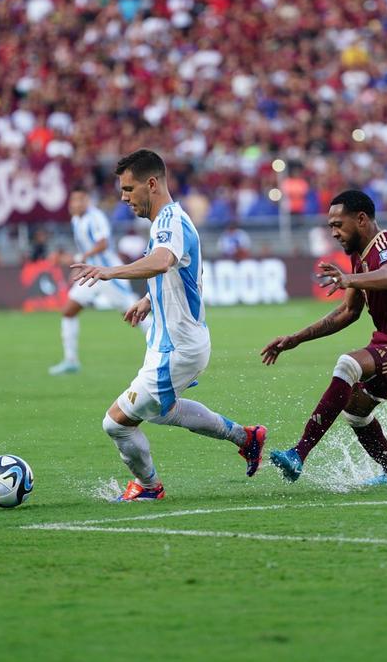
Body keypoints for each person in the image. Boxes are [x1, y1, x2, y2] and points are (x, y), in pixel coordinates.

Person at [69, 149, 267, 501]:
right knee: (164, 412)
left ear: (152, 183)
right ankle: (246, 438)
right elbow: (185, 269)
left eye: (129, 190)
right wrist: (149, 301)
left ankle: (149, 487)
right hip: (174, 341)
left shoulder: (169, 222)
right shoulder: (170, 221)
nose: (124, 198)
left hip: (176, 347)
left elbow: (161, 261)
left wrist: (109, 271)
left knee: (115, 423)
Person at [261, 190, 387, 485]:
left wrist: (348, 279)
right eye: (331, 226)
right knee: (355, 411)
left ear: (361, 219)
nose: (333, 233)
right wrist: (296, 339)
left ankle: (298, 453)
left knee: (347, 364)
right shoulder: (360, 257)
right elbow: (347, 312)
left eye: (338, 225)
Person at [49, 188, 149, 376]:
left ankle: (165, 347)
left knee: (133, 313)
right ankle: (71, 361)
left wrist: (81, 257)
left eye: (80, 200)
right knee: (69, 310)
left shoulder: (96, 217)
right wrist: (82, 265)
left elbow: (103, 243)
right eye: (73, 200)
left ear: (87, 201)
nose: (76, 204)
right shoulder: (76, 220)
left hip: (108, 275)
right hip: (90, 274)